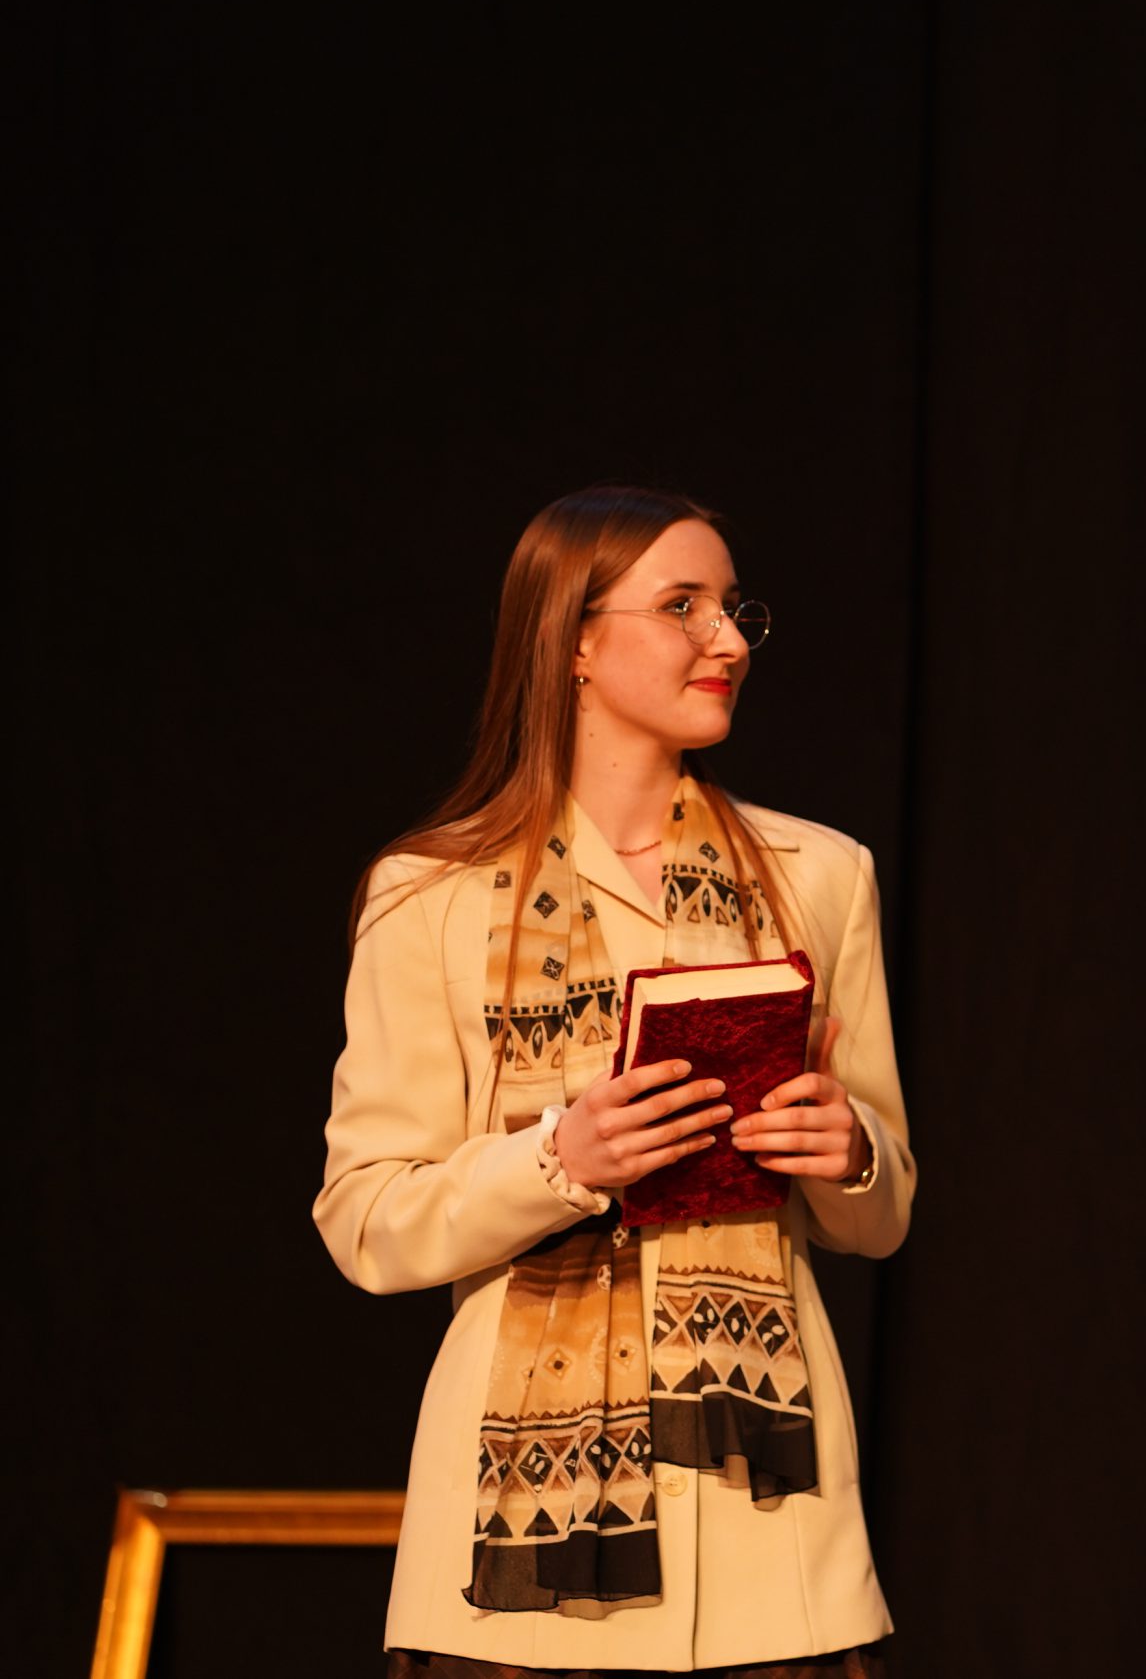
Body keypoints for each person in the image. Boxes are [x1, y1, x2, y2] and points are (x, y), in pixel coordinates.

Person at [314, 486, 916, 1676]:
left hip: (769, 1546)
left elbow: (882, 1215)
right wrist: (557, 1163)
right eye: (682, 606)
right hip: (515, 1565)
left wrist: (847, 1151)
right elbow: (365, 1218)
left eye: (732, 608)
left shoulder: (817, 874)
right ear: (575, 641)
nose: (728, 640)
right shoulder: (429, 894)